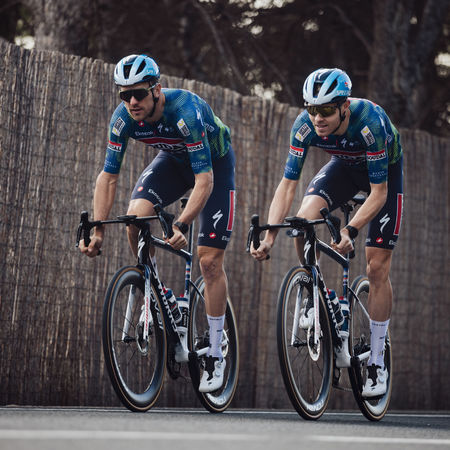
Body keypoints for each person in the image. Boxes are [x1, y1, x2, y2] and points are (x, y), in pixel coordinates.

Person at [79, 54, 236, 393]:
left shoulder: (185, 111)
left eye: (138, 93)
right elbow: (108, 176)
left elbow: (204, 180)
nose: (132, 102)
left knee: (209, 261)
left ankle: (215, 349)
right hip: (173, 162)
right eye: (125, 95)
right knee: (135, 218)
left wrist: (182, 223)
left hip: (214, 167)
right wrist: (98, 229)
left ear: (156, 90)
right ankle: (157, 290)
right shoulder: (123, 118)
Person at [251, 68, 403, 398]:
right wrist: (270, 237)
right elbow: (287, 184)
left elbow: (378, 193)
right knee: (302, 223)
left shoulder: (370, 122)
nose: (317, 117)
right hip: (344, 169)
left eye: (326, 110)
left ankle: (377, 360)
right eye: (311, 109)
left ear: (344, 106)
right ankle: (316, 295)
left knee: (376, 266)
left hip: (383, 179)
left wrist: (350, 229)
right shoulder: (305, 125)